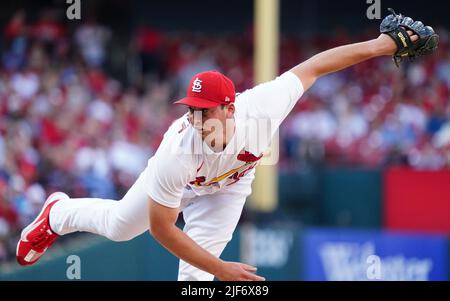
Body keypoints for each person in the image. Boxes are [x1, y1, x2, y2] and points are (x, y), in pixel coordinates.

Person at [16, 10, 437, 281]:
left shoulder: (261, 107)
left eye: (205, 110)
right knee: (122, 229)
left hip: (229, 188)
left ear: (229, 108)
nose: (197, 118)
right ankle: (59, 212)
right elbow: (163, 229)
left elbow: (315, 67)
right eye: (192, 109)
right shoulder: (177, 149)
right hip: (186, 182)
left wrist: (381, 45)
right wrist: (222, 270)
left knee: (193, 283)